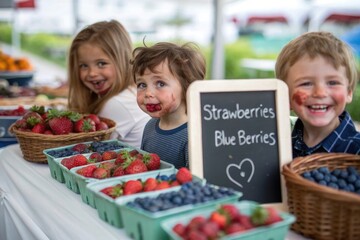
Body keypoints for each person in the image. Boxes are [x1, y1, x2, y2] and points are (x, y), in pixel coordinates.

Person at [275, 31, 360, 158]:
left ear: (348, 92)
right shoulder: (277, 147)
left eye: (332, 82)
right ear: (285, 97)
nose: (320, 93)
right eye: (306, 83)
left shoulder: (356, 151)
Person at [67, 20, 150, 148]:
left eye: (101, 63)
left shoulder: (117, 103)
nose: (92, 73)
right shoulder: (128, 92)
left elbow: (89, 148)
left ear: (122, 61)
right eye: (84, 65)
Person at [131, 42, 206, 168]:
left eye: (160, 83)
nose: (148, 93)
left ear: (187, 88)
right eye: (142, 85)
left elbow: (194, 183)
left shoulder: (192, 135)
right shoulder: (150, 126)